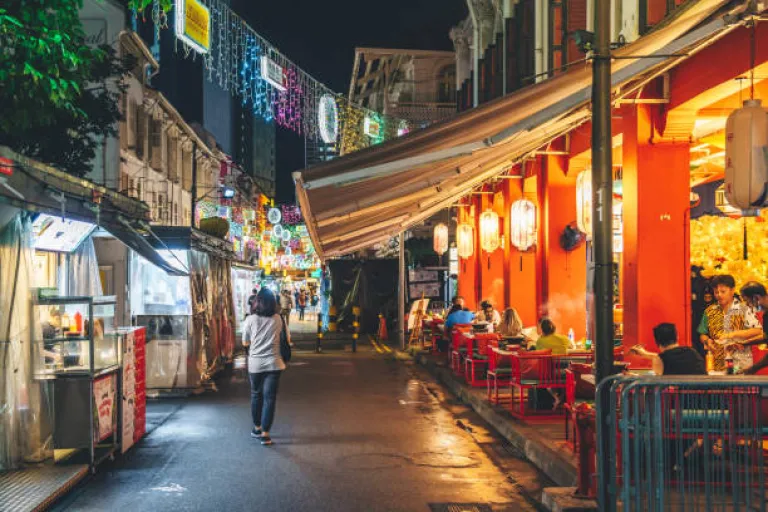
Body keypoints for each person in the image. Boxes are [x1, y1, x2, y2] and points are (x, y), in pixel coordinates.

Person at [242, 288, 288, 446]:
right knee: (270, 399)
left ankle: (257, 428)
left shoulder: (250, 320)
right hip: (274, 363)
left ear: (256, 302)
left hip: (255, 364)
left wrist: (255, 343)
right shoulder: (278, 319)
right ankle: (266, 434)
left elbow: (245, 342)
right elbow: (283, 338)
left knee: (256, 395)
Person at [697, 274, 762, 371]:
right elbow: (702, 333)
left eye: (723, 292)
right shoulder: (710, 311)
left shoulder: (743, 309)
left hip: (741, 363)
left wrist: (731, 334)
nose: (719, 295)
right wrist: (707, 341)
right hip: (717, 363)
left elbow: (758, 331)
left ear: (732, 290)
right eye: (716, 292)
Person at [629, 323, 707, 375]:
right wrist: (645, 354)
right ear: (677, 337)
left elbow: (656, 384)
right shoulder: (692, 352)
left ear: (657, 341)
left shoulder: (660, 359)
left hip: (681, 399)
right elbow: (674, 358)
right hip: (705, 397)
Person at [737, 281, 768, 375]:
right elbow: (766, 337)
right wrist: (745, 343)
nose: (747, 305)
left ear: (756, 298)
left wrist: (751, 369)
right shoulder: (766, 315)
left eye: (747, 301)